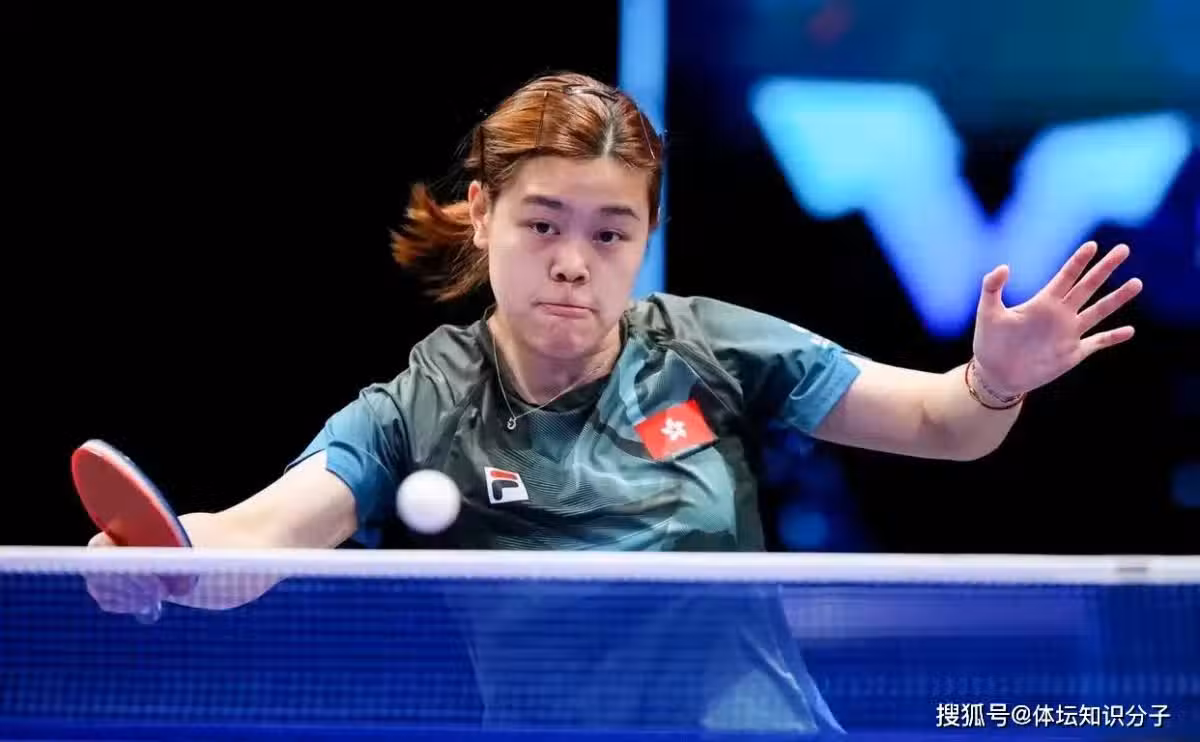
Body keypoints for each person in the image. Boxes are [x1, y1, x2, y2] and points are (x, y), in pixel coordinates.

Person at [85, 71, 1143, 732]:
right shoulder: (424, 401)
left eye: (609, 233)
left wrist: (999, 377)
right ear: (482, 212)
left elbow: (943, 422)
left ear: (646, 236)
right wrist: (162, 559)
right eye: (542, 223)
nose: (572, 261)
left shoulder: (711, 349)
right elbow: (257, 540)